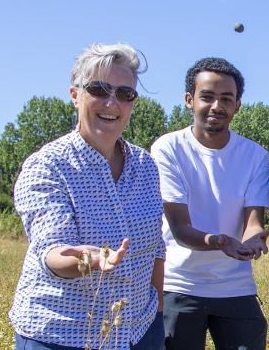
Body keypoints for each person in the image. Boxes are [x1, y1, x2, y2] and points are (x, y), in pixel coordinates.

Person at [9, 43, 165, 350]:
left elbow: (155, 249)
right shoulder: (47, 165)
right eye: (99, 89)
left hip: (139, 331)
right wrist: (89, 259)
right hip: (62, 335)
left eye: (125, 94)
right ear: (75, 94)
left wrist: (157, 315)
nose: (112, 103)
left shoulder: (145, 166)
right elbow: (52, 251)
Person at [150, 58, 269, 350]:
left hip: (236, 287)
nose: (217, 106)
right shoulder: (168, 148)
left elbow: (254, 221)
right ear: (189, 100)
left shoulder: (255, 155)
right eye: (207, 96)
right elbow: (180, 228)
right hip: (180, 284)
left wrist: (253, 240)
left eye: (226, 99)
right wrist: (217, 241)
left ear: (238, 105)